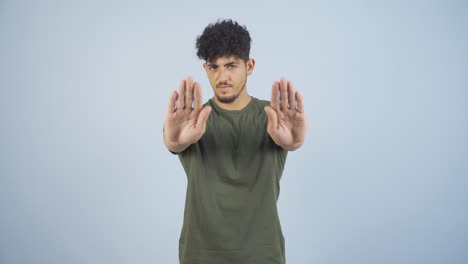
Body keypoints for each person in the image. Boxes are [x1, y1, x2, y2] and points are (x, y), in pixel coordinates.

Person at [163, 19, 307, 264]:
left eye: (231, 65)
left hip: (263, 255)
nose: (222, 76)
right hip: (200, 256)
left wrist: (293, 143)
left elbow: (290, 141)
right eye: (214, 66)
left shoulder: (274, 117)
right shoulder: (191, 120)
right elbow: (173, 141)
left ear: (249, 66)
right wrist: (173, 141)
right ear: (206, 69)